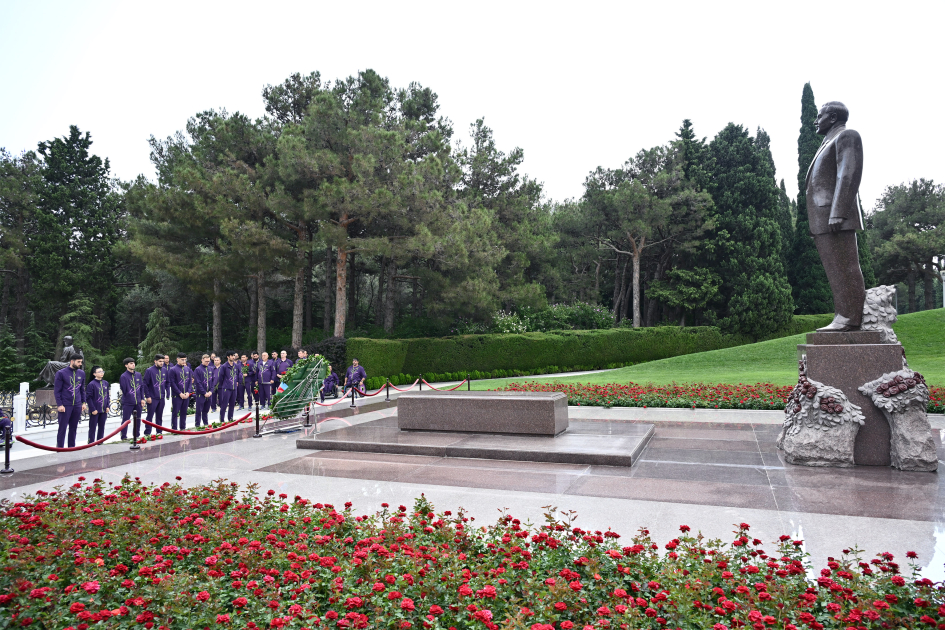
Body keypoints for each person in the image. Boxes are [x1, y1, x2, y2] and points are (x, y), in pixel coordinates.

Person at [806, 100, 867, 332]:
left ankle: (850, 317)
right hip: (823, 218)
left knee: (845, 266)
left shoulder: (847, 136)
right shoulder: (827, 141)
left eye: (819, 116)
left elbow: (848, 174)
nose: (815, 121)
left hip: (834, 217)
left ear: (832, 118)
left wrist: (838, 213)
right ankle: (843, 314)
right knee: (835, 268)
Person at [53, 353, 87, 448]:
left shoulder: (81, 373)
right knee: (62, 428)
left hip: (77, 405)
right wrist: (60, 404)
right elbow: (57, 391)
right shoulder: (61, 373)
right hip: (65, 405)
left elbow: (82, 389)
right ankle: (60, 448)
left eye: (81, 362)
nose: (80, 364)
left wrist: (83, 402)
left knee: (73, 428)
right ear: (72, 361)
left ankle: (71, 447)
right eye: (78, 362)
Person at [119, 358, 145, 440]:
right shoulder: (123, 376)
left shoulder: (138, 375)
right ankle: (123, 436)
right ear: (126, 365)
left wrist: (142, 399)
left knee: (138, 419)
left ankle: (136, 436)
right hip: (128, 402)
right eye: (131, 363)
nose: (133, 364)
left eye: (133, 363)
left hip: (138, 402)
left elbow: (141, 387)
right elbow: (124, 389)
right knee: (126, 420)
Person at [142, 354, 166, 436]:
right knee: (150, 416)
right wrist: (147, 396)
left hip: (161, 397)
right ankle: (147, 432)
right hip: (152, 397)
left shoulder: (165, 370)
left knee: (159, 416)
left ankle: (159, 432)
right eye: (160, 361)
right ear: (155, 361)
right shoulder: (149, 370)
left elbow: (166, 382)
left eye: (163, 361)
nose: (162, 363)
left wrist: (165, 393)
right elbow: (145, 384)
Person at [86, 366, 109, 444]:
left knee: (102, 427)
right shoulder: (91, 384)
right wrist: (92, 409)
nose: (102, 373)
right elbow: (88, 398)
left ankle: (100, 441)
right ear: (94, 374)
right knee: (92, 427)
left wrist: (108, 406)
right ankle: (91, 442)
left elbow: (107, 396)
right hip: (95, 410)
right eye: (99, 372)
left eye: (102, 371)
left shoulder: (105, 383)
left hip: (104, 410)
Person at [169, 353, 193, 430]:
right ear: (177, 359)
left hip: (186, 394)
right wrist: (179, 393)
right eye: (182, 359)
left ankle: (183, 427)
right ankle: (174, 429)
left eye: (185, 359)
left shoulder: (187, 369)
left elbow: (190, 382)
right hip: (177, 395)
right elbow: (172, 383)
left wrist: (188, 392)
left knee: (184, 412)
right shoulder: (173, 370)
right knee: (175, 412)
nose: (183, 361)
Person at [217, 351, 240, 422]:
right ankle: (222, 420)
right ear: (228, 357)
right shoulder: (224, 366)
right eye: (231, 356)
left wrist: (237, 382)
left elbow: (238, 374)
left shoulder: (236, 366)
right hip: (226, 388)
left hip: (234, 388)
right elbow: (220, 378)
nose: (233, 357)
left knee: (232, 405)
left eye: (234, 355)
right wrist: (224, 385)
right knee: (224, 405)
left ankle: (230, 419)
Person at [193, 354, 214, 427]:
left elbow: (213, 381)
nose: (207, 363)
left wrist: (211, 391)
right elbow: (197, 383)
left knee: (206, 411)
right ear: (202, 360)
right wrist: (204, 392)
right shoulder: (198, 369)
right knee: (199, 411)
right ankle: (197, 425)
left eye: (208, 361)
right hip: (201, 394)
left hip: (209, 393)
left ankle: (205, 424)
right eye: (206, 361)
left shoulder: (211, 369)